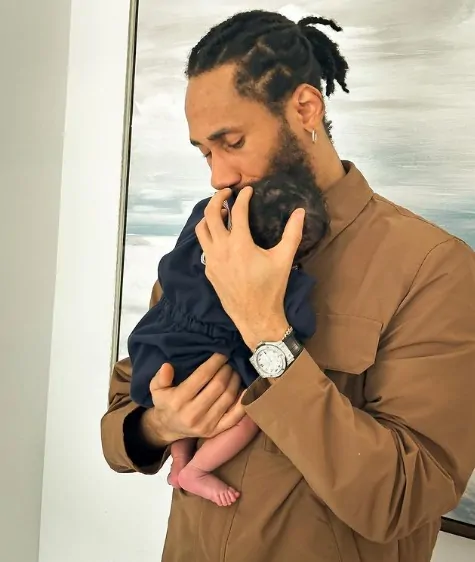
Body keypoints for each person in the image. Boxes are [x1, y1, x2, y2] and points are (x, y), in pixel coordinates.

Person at [101, 10, 475, 562]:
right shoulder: (208, 237)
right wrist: (161, 424)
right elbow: (118, 417)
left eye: (232, 142)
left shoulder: (433, 267)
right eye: (205, 152)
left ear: (305, 109)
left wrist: (267, 333)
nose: (218, 176)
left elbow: (405, 498)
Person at [127, 170, 328, 507]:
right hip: (209, 356)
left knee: (179, 403)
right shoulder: (278, 280)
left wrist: (219, 210)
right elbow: (300, 324)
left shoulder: (198, 244)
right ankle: (196, 470)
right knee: (249, 414)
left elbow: (174, 258)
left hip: (156, 348)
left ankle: (180, 459)